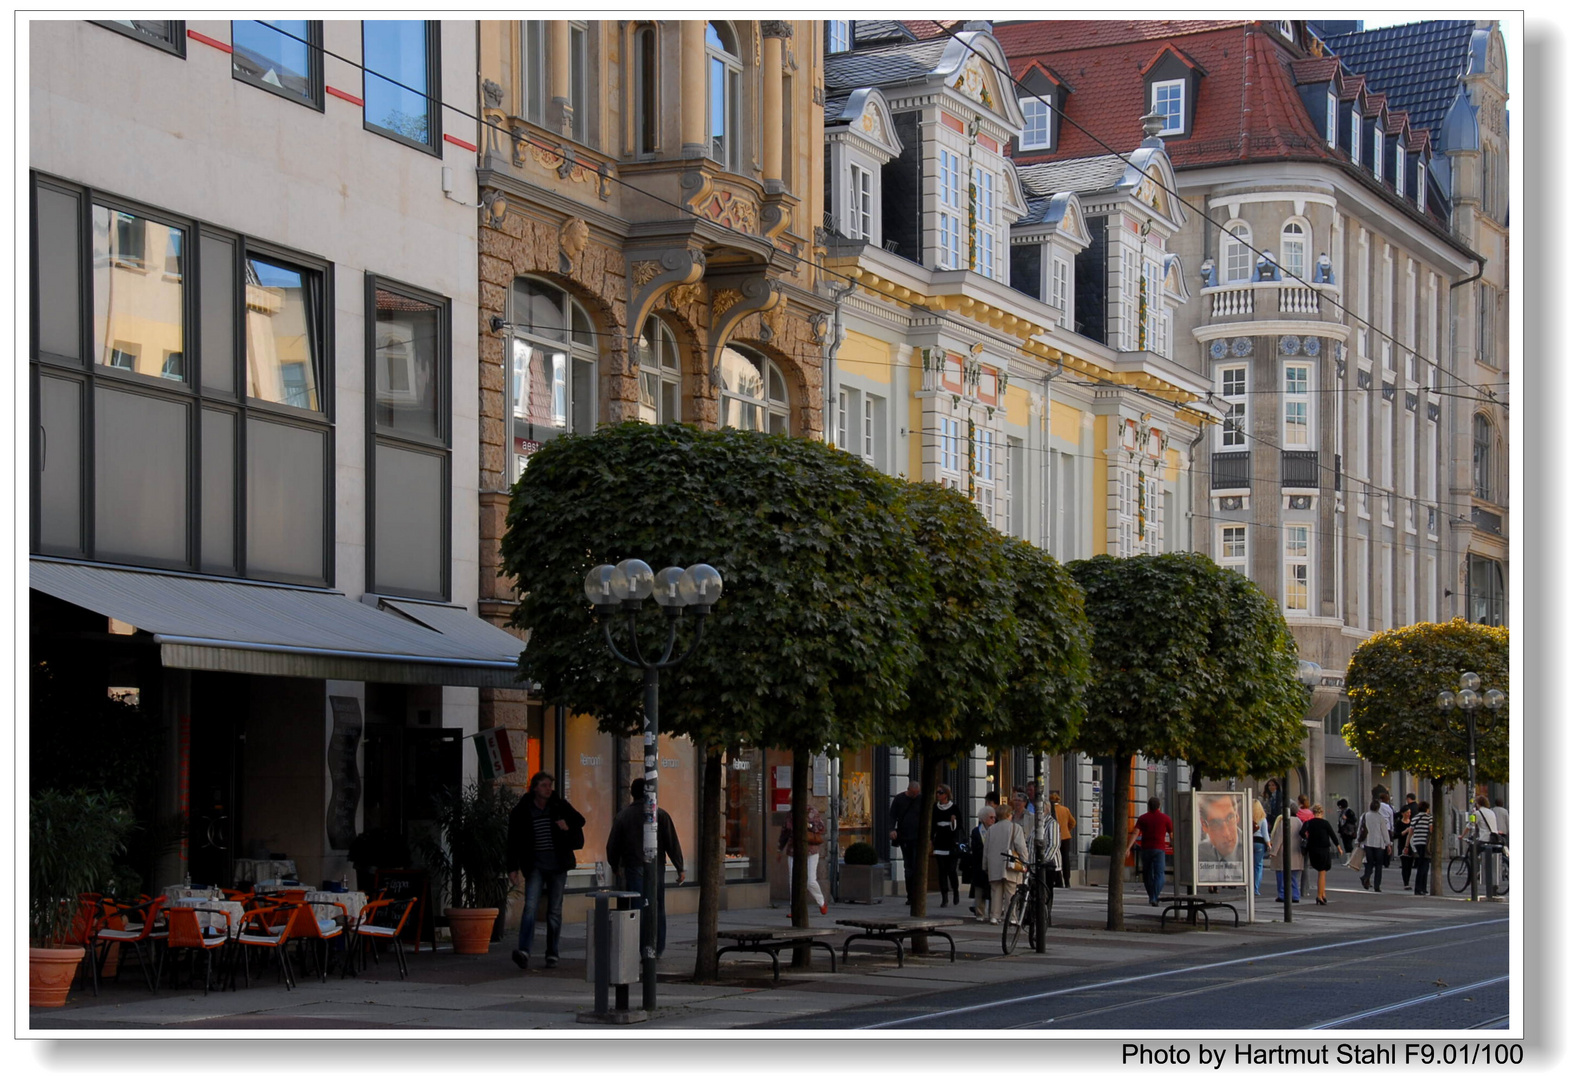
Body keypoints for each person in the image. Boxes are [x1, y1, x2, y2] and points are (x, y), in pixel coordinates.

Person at [507, 771, 586, 970]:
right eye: (543, 785)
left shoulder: (559, 806)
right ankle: (524, 950)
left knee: (554, 911)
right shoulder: (523, 810)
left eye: (550, 785)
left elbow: (579, 820)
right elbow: (513, 840)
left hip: (558, 865)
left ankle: (552, 953)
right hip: (535, 865)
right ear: (534, 788)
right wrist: (512, 868)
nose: (548, 789)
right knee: (530, 907)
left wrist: (566, 827)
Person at [607, 778, 686, 954]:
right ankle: (656, 947)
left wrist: (615, 864)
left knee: (636, 907)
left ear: (632, 793)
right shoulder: (660, 814)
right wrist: (680, 866)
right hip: (656, 866)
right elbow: (672, 842)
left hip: (633, 865)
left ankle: (638, 946)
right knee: (657, 905)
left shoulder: (623, 816)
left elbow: (613, 844)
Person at [776, 800, 828, 916]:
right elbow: (784, 832)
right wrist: (779, 849)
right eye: (790, 801)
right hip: (793, 849)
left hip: (811, 849)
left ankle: (821, 902)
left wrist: (809, 825)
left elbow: (821, 827)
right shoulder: (790, 814)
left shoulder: (811, 811)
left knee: (810, 880)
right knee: (793, 880)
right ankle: (794, 908)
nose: (791, 803)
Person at [982, 803, 1028, 924]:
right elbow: (1021, 847)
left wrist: (985, 865)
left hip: (994, 864)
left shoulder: (991, 829)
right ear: (1009, 815)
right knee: (1010, 891)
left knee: (995, 891)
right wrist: (1025, 861)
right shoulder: (1015, 827)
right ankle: (1011, 917)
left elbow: (986, 849)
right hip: (1010, 865)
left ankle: (994, 916)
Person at [1131, 796, 1173, 906]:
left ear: (1149, 806)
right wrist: (1173, 845)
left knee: (1147, 874)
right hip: (1159, 849)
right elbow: (1172, 834)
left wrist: (1128, 847)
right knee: (1160, 874)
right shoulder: (1166, 818)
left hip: (1146, 849)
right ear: (1159, 806)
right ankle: (1154, 897)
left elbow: (1135, 833)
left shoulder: (1143, 818)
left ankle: (1152, 896)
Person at [1196, 792, 1244, 884]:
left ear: (1237, 816)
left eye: (1230, 818)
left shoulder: (1247, 849)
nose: (1226, 833)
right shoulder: (1201, 852)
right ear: (1204, 825)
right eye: (1216, 823)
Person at [1297, 805, 1341, 904]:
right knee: (1322, 872)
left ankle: (1323, 893)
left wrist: (1308, 837)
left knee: (1321, 871)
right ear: (1322, 813)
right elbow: (1332, 835)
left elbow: (1301, 832)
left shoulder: (1308, 823)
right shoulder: (1325, 823)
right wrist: (1338, 847)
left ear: (1313, 813)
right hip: (1323, 849)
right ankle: (1319, 896)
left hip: (1312, 849)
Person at [887, 781, 923, 902]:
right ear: (909, 790)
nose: (915, 795)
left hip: (918, 837)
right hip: (905, 837)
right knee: (909, 866)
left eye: (917, 793)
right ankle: (910, 895)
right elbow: (892, 815)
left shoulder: (920, 799)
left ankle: (917, 894)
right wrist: (891, 829)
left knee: (916, 866)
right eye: (913, 793)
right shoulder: (899, 799)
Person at [929, 785, 961, 908]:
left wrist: (954, 821)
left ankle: (956, 891)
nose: (938, 795)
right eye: (937, 792)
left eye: (940, 792)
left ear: (946, 794)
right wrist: (931, 840)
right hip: (940, 840)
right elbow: (932, 825)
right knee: (942, 870)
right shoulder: (935, 808)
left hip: (951, 841)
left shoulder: (954, 808)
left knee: (951, 870)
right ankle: (944, 897)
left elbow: (960, 826)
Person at [966, 805, 995, 918]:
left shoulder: (995, 830)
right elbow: (975, 848)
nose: (993, 820)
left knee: (993, 891)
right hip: (979, 865)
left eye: (994, 817)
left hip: (992, 865)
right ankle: (980, 913)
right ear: (983, 819)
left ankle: (993, 913)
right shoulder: (976, 831)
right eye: (990, 817)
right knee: (979, 890)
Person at [1269, 802, 1300, 902]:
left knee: (1281, 875)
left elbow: (1279, 838)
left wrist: (1273, 851)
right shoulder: (1299, 822)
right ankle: (1295, 895)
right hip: (1296, 852)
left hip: (1284, 852)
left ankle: (1282, 895)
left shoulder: (1285, 822)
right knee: (1293, 877)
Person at [1359, 798, 1391, 892]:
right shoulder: (1380, 817)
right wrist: (1388, 844)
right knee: (1379, 865)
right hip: (1379, 843)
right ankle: (1377, 885)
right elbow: (1384, 832)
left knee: (1369, 863)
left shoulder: (1365, 816)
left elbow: (1360, 829)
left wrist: (1358, 841)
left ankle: (1366, 876)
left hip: (1367, 842)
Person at [1049, 793, 1077, 888]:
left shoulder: (1050, 811)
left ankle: (1058, 880)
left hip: (1054, 837)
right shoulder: (1065, 809)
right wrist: (1067, 830)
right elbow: (1073, 822)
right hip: (1065, 837)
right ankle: (1067, 881)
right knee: (1066, 859)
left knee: (1055, 858)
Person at [1409, 803, 1434, 895]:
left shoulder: (1415, 818)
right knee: (1424, 865)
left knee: (1421, 864)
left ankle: (1421, 887)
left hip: (1417, 843)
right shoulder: (1429, 818)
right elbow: (1431, 829)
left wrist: (1407, 845)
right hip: (1425, 843)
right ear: (1427, 809)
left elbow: (1411, 832)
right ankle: (1420, 887)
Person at [1396, 793, 1419, 890]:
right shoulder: (1399, 823)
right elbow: (1395, 835)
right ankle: (1406, 882)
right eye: (1407, 812)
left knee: (1409, 865)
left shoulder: (1412, 822)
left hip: (1411, 845)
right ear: (1403, 813)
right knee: (1405, 865)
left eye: (1410, 812)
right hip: (1402, 845)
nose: (1409, 814)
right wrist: (1404, 832)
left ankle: (1407, 880)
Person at [1251, 806, 1270, 896]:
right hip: (1260, 842)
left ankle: (1248, 886)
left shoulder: (1248, 817)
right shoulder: (1262, 819)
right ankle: (1255, 888)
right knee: (1258, 866)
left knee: (1250, 866)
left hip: (1250, 841)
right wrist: (1269, 845)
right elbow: (1265, 834)